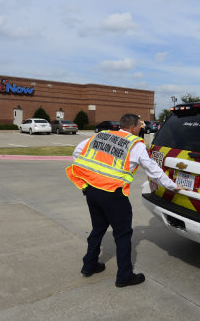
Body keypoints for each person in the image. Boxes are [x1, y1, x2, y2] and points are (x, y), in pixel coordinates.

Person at [66, 113, 182, 287]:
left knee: (98, 229)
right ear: (133, 127)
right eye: (139, 126)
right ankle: (124, 276)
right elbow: (152, 169)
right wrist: (173, 186)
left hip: (92, 191)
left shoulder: (101, 135)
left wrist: (88, 179)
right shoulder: (135, 144)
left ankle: (89, 265)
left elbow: (77, 153)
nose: (141, 128)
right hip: (114, 195)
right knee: (122, 235)